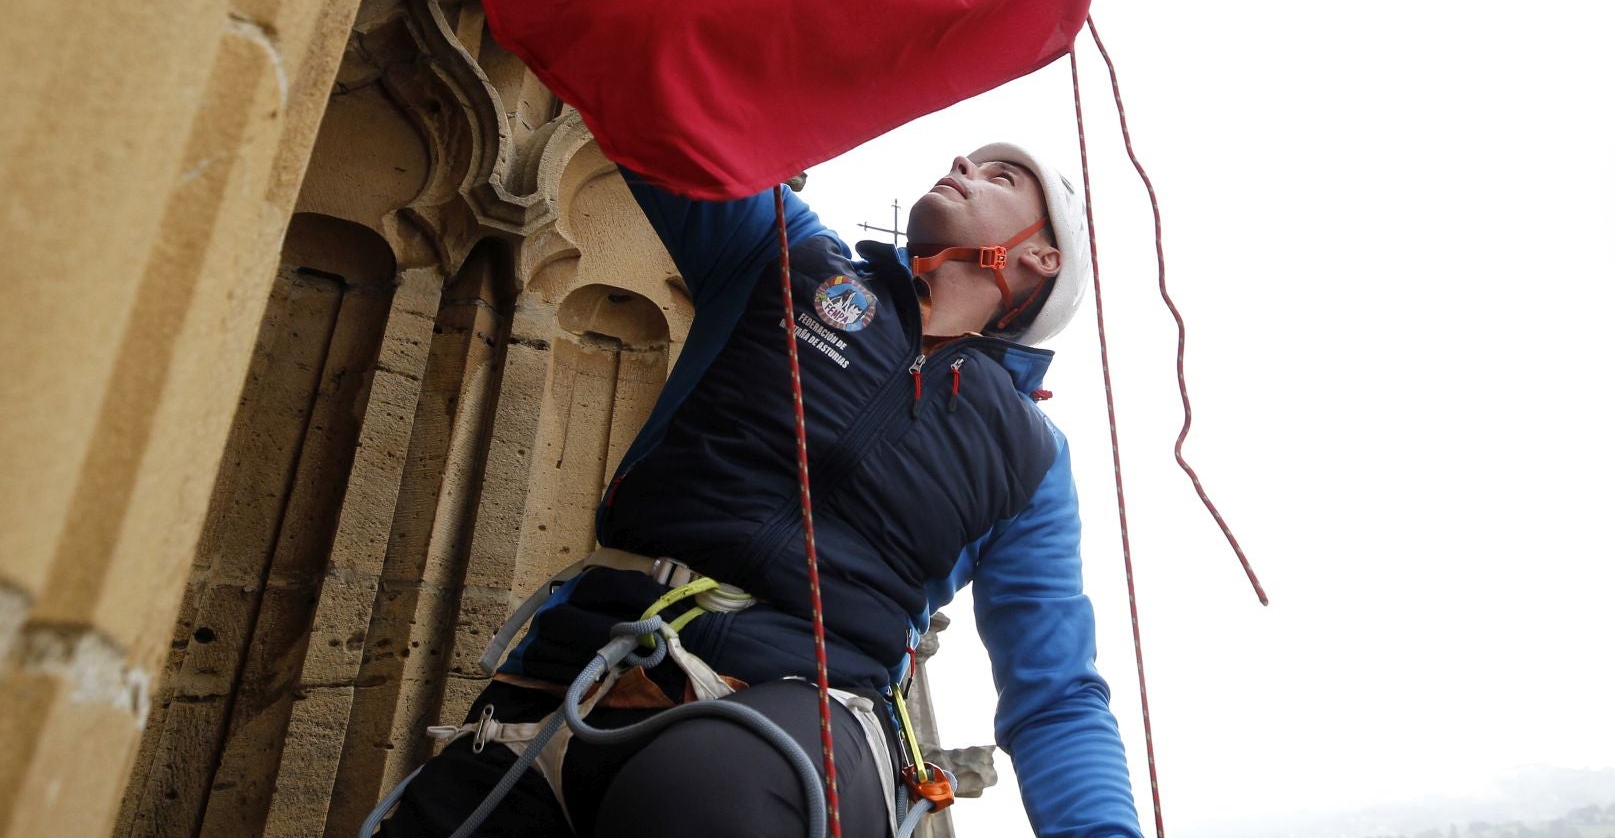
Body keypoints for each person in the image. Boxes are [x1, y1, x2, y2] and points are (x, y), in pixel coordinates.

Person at [378, 144, 1139, 837]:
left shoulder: (1030, 457)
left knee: (702, 790)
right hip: (577, 681)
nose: (965, 163)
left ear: (1043, 256)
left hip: (798, 722)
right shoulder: (789, 259)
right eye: (973, 157)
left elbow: (1056, 693)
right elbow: (664, 118)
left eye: (1002, 175)